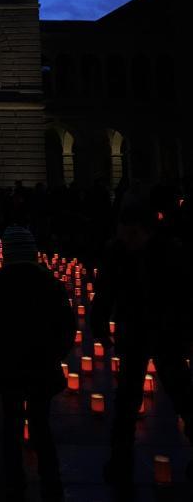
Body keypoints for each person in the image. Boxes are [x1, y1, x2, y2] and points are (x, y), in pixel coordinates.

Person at [91, 204, 193, 486]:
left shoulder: (169, 251)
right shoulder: (119, 251)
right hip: (135, 333)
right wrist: (98, 321)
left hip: (165, 333)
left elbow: (184, 293)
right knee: (126, 400)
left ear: (144, 230)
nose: (126, 237)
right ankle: (120, 459)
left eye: (131, 232)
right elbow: (106, 290)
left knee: (181, 393)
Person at [0, 225, 76, 501]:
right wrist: (57, 355)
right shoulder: (51, 284)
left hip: (10, 366)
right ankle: (51, 482)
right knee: (41, 425)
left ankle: (14, 481)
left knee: (11, 425)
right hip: (43, 366)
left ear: (6, 254)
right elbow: (68, 325)